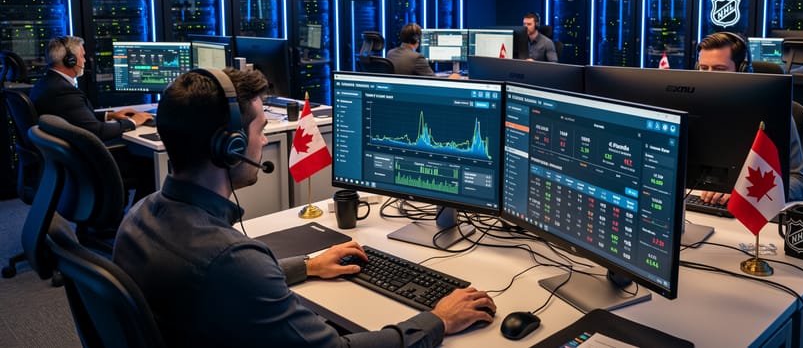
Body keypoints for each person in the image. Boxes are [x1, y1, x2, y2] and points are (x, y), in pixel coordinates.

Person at [113, 68, 495, 347]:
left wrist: (308, 265)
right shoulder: (232, 260)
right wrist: (437, 320)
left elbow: (231, 283)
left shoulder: (137, 219)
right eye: (260, 129)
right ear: (230, 147)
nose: (264, 141)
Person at [695, 31, 803, 204]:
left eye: (719, 69)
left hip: (749, 207)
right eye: (704, 69)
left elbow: (798, 181)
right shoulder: (688, 107)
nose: (709, 76)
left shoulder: (772, 111)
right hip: (697, 200)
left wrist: (749, 192)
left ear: (742, 70)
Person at [30, 36, 154, 141]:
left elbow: (77, 119)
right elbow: (98, 132)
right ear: (70, 61)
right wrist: (133, 121)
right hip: (84, 155)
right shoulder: (63, 91)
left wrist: (110, 115)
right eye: (82, 56)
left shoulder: (46, 82)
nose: (84, 61)